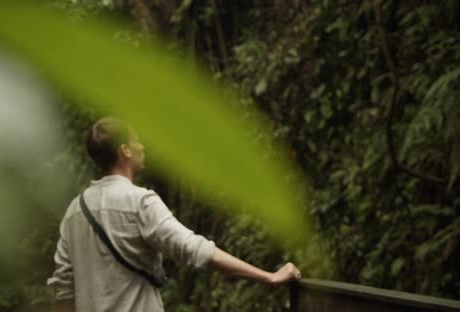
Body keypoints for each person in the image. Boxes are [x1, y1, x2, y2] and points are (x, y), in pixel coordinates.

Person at [48, 117, 301, 312]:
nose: (142, 146)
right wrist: (268, 277)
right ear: (125, 150)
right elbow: (194, 249)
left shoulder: (74, 212)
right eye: (137, 140)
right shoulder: (139, 202)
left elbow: (63, 288)